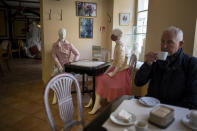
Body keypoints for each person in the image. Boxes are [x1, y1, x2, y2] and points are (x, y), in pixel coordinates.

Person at [135, 26, 197, 109]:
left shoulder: (191, 64)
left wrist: (167, 111)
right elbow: (138, 82)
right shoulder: (156, 60)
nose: (164, 46)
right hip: (150, 106)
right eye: (162, 41)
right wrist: (147, 64)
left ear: (180, 44)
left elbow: (193, 99)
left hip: (174, 111)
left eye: (169, 42)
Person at [86, 28, 132, 114]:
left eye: (114, 34)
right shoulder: (118, 44)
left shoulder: (120, 46)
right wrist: (110, 66)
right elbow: (117, 60)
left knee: (99, 79)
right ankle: (94, 100)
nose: (112, 35)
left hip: (121, 74)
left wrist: (112, 73)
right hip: (118, 70)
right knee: (99, 77)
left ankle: (96, 104)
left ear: (117, 36)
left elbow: (120, 63)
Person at [51, 28, 80, 104]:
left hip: (68, 65)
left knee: (69, 78)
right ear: (58, 34)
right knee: (56, 77)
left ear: (66, 34)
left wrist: (73, 62)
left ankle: (66, 95)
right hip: (58, 65)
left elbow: (77, 54)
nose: (62, 34)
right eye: (61, 33)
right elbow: (54, 56)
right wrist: (59, 65)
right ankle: (55, 95)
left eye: (64, 33)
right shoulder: (54, 45)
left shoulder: (69, 44)